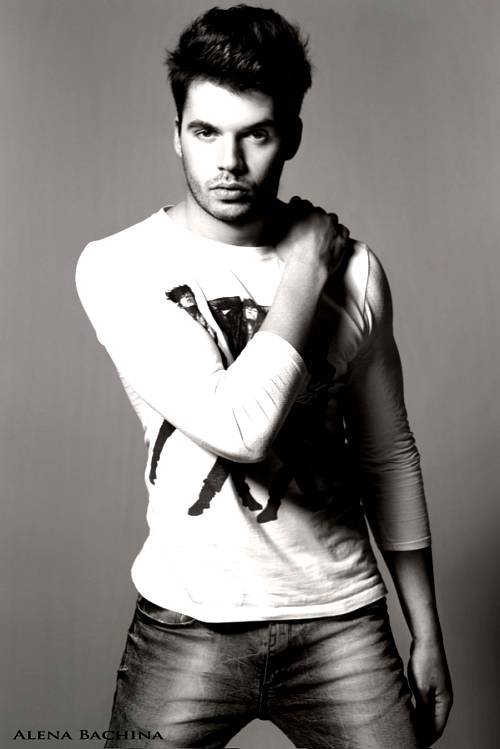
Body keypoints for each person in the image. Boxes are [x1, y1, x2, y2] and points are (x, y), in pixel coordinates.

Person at [75, 5, 453, 748]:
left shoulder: (360, 272)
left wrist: (428, 630)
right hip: (188, 620)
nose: (229, 161)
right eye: (205, 132)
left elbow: (388, 455)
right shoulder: (120, 266)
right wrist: (304, 273)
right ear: (175, 133)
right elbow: (239, 429)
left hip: (340, 618)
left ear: (292, 137)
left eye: (257, 134)